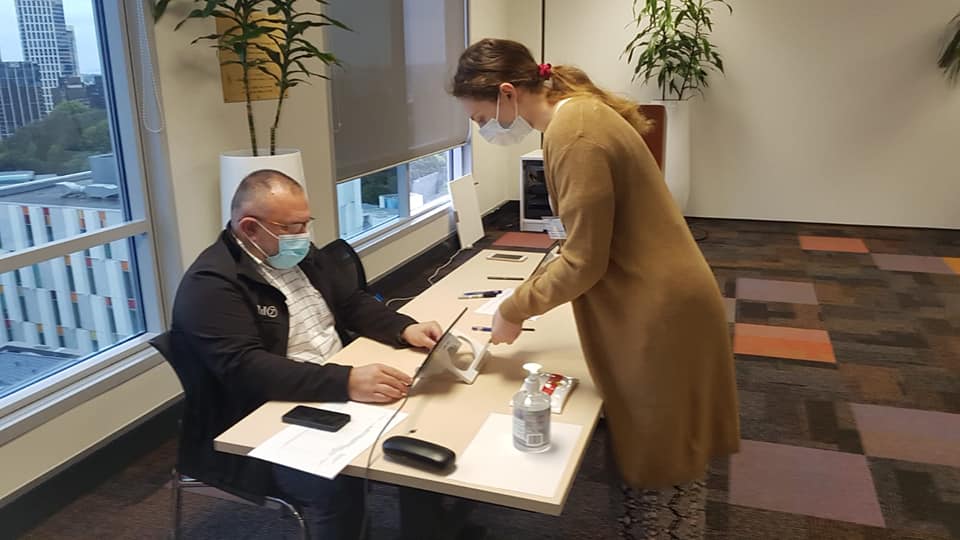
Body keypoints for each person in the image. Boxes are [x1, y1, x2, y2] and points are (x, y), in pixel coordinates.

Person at [451, 39, 740, 539]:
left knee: (663, 467)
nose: (484, 129)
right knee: (659, 449)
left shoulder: (575, 134)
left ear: (507, 93)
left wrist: (514, 308)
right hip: (653, 292)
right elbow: (584, 242)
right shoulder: (573, 116)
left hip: (659, 305)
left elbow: (584, 262)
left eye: (481, 118)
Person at [170, 169, 444, 540]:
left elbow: (351, 302)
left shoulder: (295, 254)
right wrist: (346, 381)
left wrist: (403, 328)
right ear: (249, 228)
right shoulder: (212, 285)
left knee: (425, 430)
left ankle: (437, 528)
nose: (303, 236)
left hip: (328, 385)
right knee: (334, 487)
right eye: (292, 227)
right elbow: (246, 369)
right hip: (261, 416)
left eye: (305, 223)